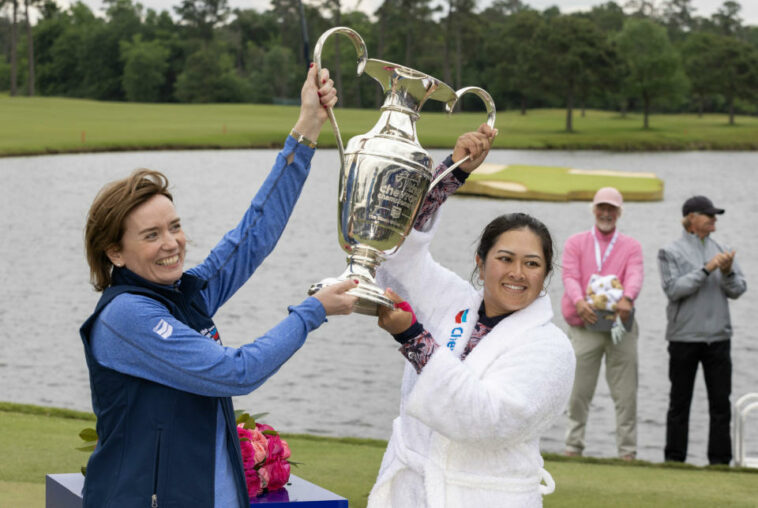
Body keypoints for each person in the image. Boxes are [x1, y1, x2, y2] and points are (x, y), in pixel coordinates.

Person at [79, 64, 359, 508]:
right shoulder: (127, 316)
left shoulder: (182, 294)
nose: (172, 244)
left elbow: (253, 236)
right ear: (115, 252)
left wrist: (307, 126)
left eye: (175, 227)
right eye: (151, 235)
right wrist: (313, 311)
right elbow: (236, 372)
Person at [366, 124, 576, 508]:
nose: (517, 273)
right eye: (505, 258)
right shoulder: (453, 301)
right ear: (481, 264)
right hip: (411, 491)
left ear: (545, 275)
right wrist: (452, 173)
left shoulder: (551, 348)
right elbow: (395, 255)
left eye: (532, 264)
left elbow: (488, 419)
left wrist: (413, 337)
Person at [658, 195, 747, 465]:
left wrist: (728, 271)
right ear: (691, 218)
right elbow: (674, 290)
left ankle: (720, 463)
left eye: (715, 215)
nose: (714, 219)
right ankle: (674, 461)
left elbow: (738, 289)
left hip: (718, 338)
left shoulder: (723, 249)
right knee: (679, 404)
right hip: (684, 338)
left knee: (721, 405)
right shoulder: (670, 251)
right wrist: (707, 269)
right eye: (708, 215)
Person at [561, 187, 644, 460]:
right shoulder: (576, 242)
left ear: (619, 213)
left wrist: (628, 298)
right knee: (578, 392)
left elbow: (634, 274)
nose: (606, 213)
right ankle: (573, 447)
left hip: (620, 325)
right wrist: (579, 301)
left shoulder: (631, 245)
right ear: (594, 210)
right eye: (601, 208)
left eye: (612, 209)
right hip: (585, 322)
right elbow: (570, 276)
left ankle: (627, 452)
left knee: (626, 394)